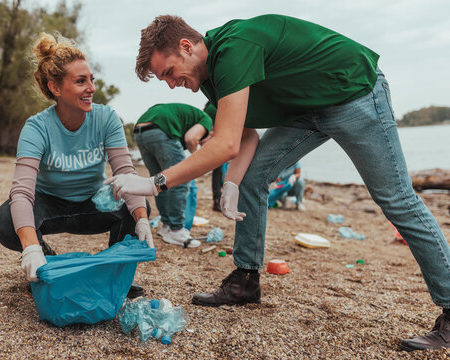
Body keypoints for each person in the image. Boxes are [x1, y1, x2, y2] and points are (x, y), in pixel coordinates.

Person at [106, 15, 450, 351]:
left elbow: (225, 144)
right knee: (253, 177)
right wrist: (233, 183)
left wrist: (154, 183)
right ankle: (245, 281)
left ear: (186, 47)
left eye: (168, 72)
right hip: (304, 111)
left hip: (353, 91)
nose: (169, 84)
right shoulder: (212, 77)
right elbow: (246, 133)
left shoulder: (234, 47)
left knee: (396, 199)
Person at [0, 32, 153, 298]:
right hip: (49, 203)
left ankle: (111, 275)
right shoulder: (37, 127)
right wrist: (31, 248)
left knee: (139, 207)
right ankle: (50, 267)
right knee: (5, 222)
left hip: (92, 203)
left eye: (91, 79)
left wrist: (142, 221)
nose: (91, 88)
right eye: (80, 81)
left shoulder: (107, 118)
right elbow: (21, 192)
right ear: (55, 87)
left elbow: (125, 173)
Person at [134, 103, 212, 247]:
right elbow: (191, 138)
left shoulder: (189, 117)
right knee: (180, 179)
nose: (203, 144)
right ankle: (176, 230)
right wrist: (198, 160)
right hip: (161, 130)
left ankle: (167, 226)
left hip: (140, 131)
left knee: (161, 181)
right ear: (211, 134)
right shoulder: (207, 120)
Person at [203, 102, 225, 212]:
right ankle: (218, 200)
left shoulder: (208, 107)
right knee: (219, 172)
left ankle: (218, 199)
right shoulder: (217, 105)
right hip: (216, 140)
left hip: (207, 140)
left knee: (218, 171)